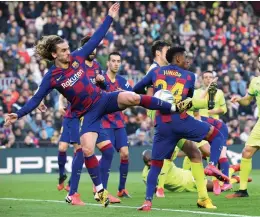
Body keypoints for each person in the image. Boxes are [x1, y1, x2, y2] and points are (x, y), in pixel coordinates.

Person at [4, 3, 188, 207]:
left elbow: (97, 37)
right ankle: (99, 191)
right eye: (64, 50)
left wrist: (109, 17)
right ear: (54, 55)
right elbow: (35, 99)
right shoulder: (52, 77)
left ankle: (171, 106)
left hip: (102, 99)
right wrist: (18, 114)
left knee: (132, 98)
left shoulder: (77, 57)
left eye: (67, 49)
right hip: (87, 113)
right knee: (88, 149)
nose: (68, 52)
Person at [133, 47, 230, 210]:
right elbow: (188, 101)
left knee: (159, 163)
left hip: (162, 125)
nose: (189, 61)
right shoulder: (190, 76)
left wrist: (153, 95)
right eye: (186, 58)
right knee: (216, 136)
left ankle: (148, 201)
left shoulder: (156, 72)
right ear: (177, 59)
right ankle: (212, 165)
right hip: (182, 121)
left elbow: (136, 89)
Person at [184, 70, 231, 195]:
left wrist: (210, 112)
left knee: (217, 155)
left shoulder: (219, 93)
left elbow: (224, 109)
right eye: (205, 77)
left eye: (210, 77)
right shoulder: (198, 92)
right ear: (202, 79)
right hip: (201, 124)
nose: (208, 79)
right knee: (197, 154)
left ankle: (220, 183)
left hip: (214, 126)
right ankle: (214, 180)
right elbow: (197, 104)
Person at [97, 52, 133, 198]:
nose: (116, 63)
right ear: (108, 63)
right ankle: (102, 190)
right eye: (113, 61)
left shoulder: (123, 82)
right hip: (104, 123)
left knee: (125, 154)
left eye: (118, 61)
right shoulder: (100, 79)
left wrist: (124, 93)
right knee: (108, 155)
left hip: (119, 123)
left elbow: (133, 98)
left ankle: (122, 189)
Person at [142, 149, 248, 194]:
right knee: (219, 186)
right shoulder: (145, 174)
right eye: (148, 162)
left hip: (190, 178)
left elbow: (178, 153)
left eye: (151, 160)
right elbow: (152, 187)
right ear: (145, 162)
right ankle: (234, 176)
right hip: (184, 188)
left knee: (220, 188)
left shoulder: (163, 159)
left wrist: (193, 152)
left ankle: (232, 172)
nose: (151, 163)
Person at [226, 62, 260, 198]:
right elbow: (248, 100)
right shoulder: (255, 81)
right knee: (246, 152)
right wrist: (239, 100)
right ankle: (242, 190)